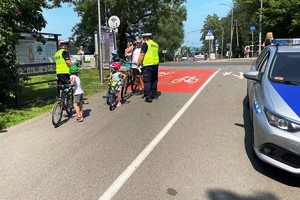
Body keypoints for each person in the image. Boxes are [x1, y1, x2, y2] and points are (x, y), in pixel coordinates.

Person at [136, 33, 159, 103]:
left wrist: (138, 62)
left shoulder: (145, 44)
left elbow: (142, 54)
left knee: (147, 81)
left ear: (145, 38)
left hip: (148, 65)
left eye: (143, 39)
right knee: (154, 80)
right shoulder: (156, 45)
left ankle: (148, 97)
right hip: (155, 64)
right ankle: (154, 94)